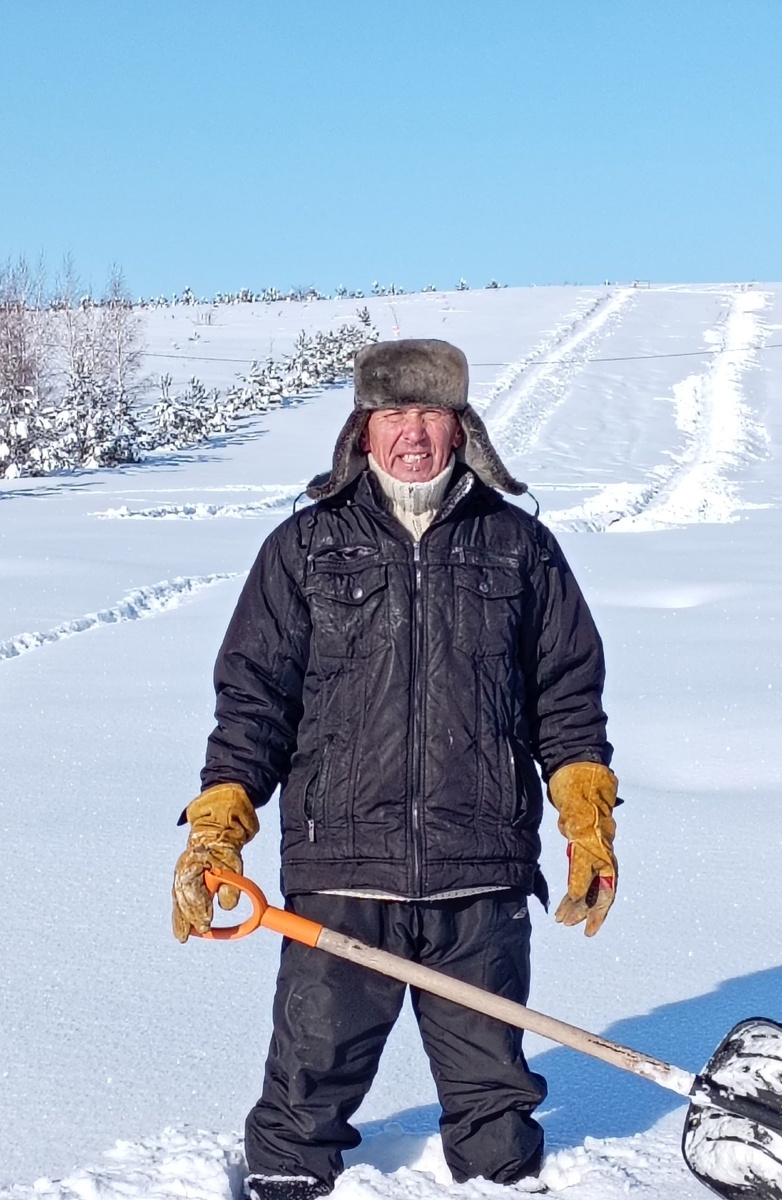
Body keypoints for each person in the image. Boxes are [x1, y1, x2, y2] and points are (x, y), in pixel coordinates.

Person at [171, 339, 619, 1200]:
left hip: (478, 867)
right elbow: (254, 700)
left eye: (430, 413)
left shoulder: (518, 545)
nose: (412, 433)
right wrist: (218, 823)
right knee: (307, 1082)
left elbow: (566, 695)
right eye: (393, 414)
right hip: (342, 865)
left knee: (494, 1107)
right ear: (362, 429)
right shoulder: (305, 546)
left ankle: (503, 1185)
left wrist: (586, 818)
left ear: (461, 428)